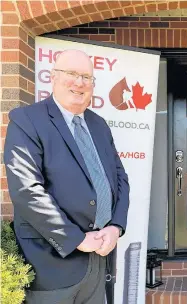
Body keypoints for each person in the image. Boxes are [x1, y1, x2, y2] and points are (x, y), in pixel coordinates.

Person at [4, 49, 130, 304]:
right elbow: (27, 191)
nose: (79, 82)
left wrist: (116, 227)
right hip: (52, 262)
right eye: (71, 74)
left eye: (86, 77)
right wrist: (77, 239)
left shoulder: (99, 125)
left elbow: (119, 179)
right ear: (53, 76)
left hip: (99, 259)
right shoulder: (27, 120)